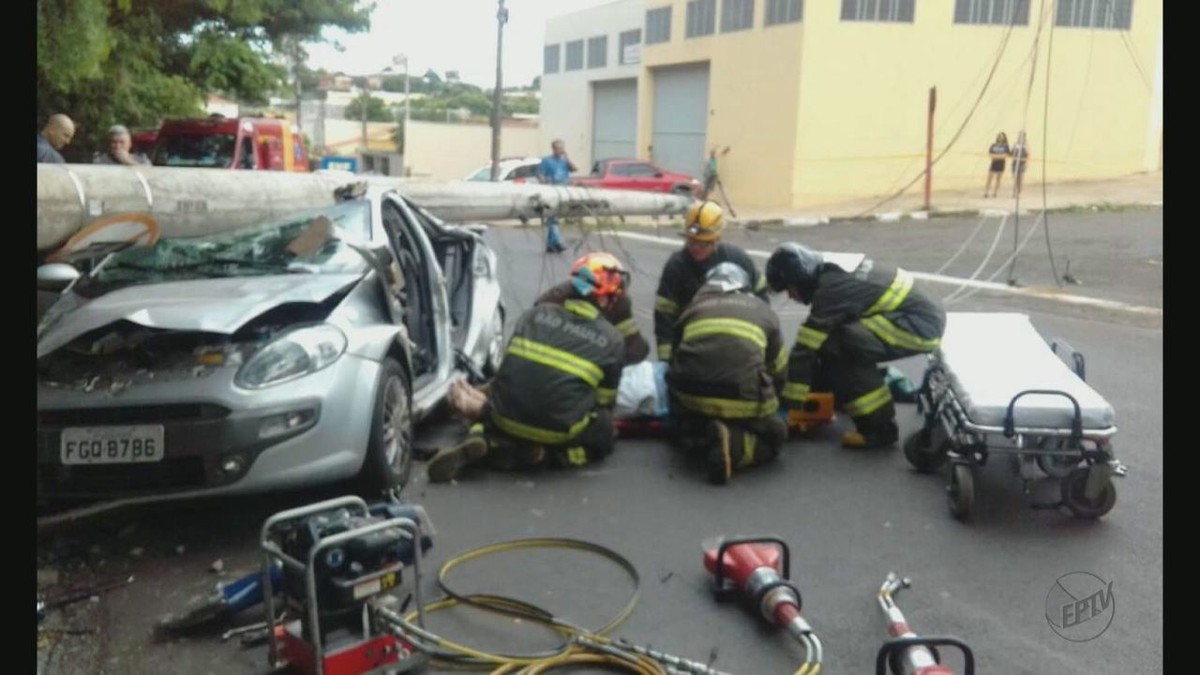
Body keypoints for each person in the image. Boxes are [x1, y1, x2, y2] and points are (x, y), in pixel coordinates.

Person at [427, 252, 627, 483]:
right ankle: (549, 456)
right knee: (604, 432)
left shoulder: (535, 314)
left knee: (492, 409)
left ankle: (485, 438)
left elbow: (507, 374)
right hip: (556, 431)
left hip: (503, 416)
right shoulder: (612, 340)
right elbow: (604, 403)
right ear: (604, 298)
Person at [765, 243, 945, 449]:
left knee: (841, 346)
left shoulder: (831, 290)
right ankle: (843, 396)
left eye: (790, 289)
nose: (790, 296)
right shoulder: (830, 271)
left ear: (802, 280)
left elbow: (806, 347)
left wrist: (788, 407)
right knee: (836, 341)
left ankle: (879, 430)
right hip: (917, 318)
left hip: (918, 327)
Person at [667, 262, 789, 485]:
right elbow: (778, 370)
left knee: (689, 426)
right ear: (744, 287)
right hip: (742, 399)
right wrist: (775, 404)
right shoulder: (764, 311)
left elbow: (673, 360)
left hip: (691, 398)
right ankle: (734, 445)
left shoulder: (693, 308)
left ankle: (699, 436)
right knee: (775, 436)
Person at [654, 200, 766, 362]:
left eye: (703, 244)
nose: (695, 248)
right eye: (691, 242)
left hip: (735, 348)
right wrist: (666, 363)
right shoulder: (676, 267)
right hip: (692, 351)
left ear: (716, 240)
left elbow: (762, 298)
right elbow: (664, 319)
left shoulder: (737, 259)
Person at [536, 255, 649, 365]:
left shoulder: (618, 304)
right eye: (607, 296)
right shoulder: (555, 302)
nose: (612, 299)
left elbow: (637, 349)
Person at [536, 139, 576, 254]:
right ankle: (557, 242)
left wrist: (567, 158)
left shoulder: (564, 161)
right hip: (552, 190)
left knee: (554, 217)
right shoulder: (547, 161)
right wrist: (545, 182)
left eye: (562, 148)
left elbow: (574, 169)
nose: (560, 150)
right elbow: (540, 175)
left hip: (564, 190)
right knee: (553, 217)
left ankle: (551, 245)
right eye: (558, 148)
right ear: (553, 149)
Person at [984, 132, 1010, 198]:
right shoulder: (993, 145)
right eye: (999, 136)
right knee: (989, 178)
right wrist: (996, 156)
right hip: (993, 163)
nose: (1000, 138)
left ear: (1004, 138)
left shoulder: (1005, 146)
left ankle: (995, 192)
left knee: (998, 179)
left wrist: (997, 157)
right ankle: (986, 192)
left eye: (1002, 136)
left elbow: (1006, 155)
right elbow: (990, 153)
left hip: (1001, 164)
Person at [1011, 131, 1029, 198]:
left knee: (1020, 179)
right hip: (1015, 163)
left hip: (1022, 164)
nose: (1020, 137)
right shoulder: (1015, 144)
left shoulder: (1026, 145)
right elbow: (1011, 153)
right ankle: (1014, 192)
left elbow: (1028, 155)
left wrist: (1026, 164)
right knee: (1015, 178)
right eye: (1019, 136)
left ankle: (1019, 192)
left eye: (1022, 136)